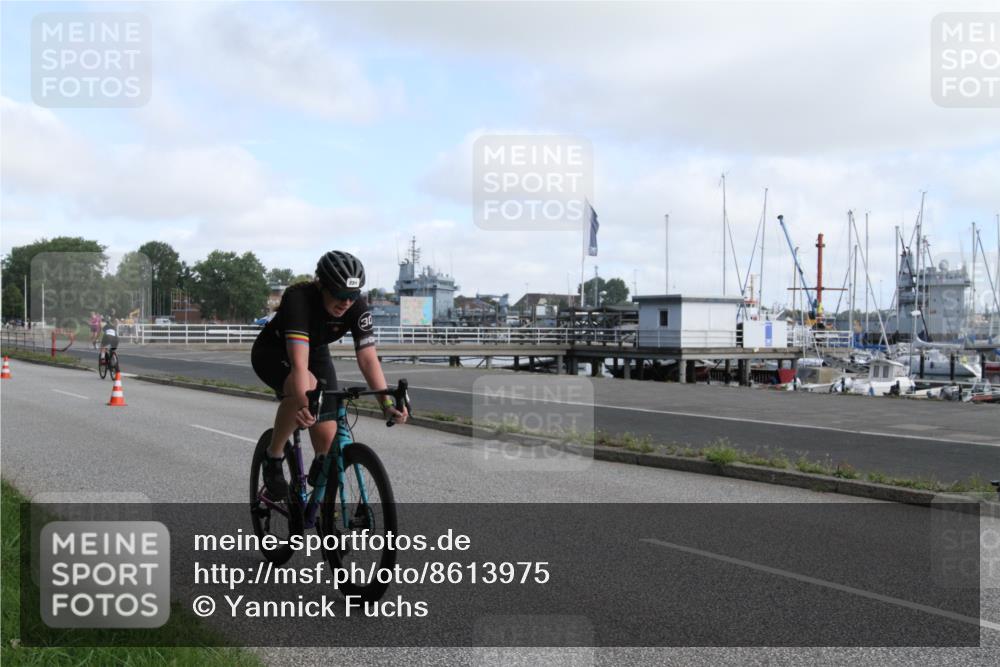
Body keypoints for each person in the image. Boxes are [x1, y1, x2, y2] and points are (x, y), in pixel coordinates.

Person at [251, 251, 408, 497]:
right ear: (320, 285)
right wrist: (305, 404)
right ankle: (273, 456)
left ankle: (320, 477)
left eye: (352, 295)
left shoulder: (356, 306)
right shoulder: (299, 298)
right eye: (340, 294)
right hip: (274, 351)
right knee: (305, 390)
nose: (346, 302)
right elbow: (300, 365)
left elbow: (367, 358)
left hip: (316, 350)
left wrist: (386, 403)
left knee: (326, 434)